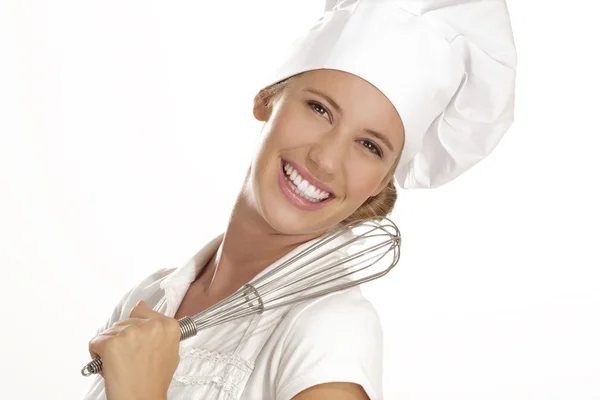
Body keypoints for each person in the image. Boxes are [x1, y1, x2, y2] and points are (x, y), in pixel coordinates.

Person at [83, 0, 517, 399]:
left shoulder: (330, 329)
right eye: (320, 109)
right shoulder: (150, 295)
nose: (326, 160)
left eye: (370, 146)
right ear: (267, 98)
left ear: (382, 182)